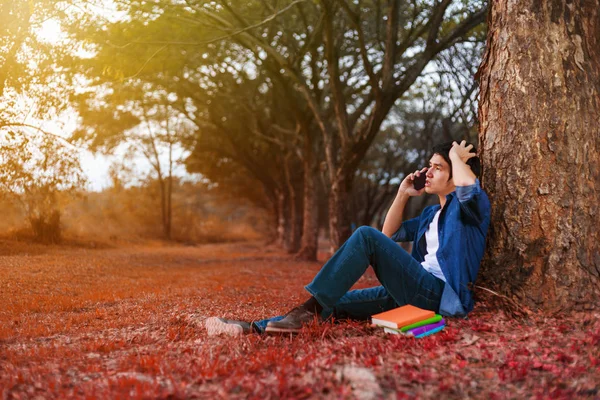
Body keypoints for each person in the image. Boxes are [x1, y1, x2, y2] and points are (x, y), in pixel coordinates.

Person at [205, 141, 491, 336]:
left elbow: (467, 187)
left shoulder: (470, 210)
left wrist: (455, 155)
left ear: (456, 175)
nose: (428, 172)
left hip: (437, 296)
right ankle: (251, 328)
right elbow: (388, 235)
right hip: (409, 291)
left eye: (437, 168)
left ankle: (306, 310)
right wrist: (403, 193)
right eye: (429, 165)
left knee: (364, 236)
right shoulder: (430, 215)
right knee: (335, 303)